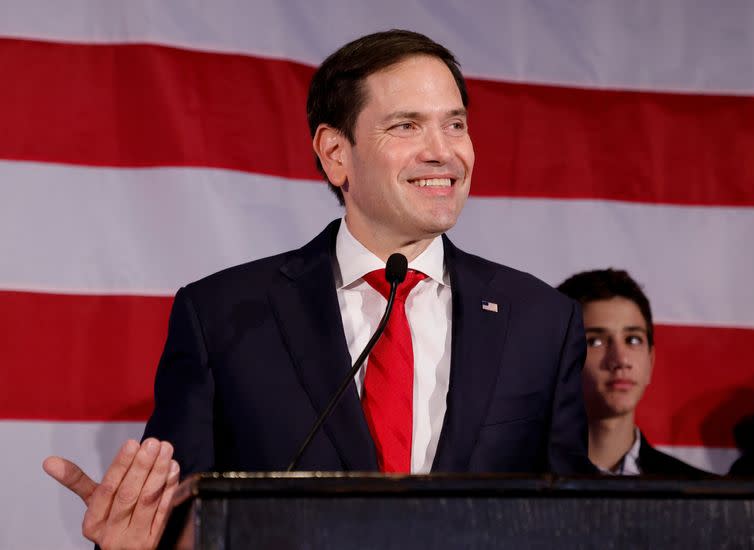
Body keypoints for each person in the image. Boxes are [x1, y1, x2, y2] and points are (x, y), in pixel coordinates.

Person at [43, 30, 592, 548]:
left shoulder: (541, 319)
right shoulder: (222, 316)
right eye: (406, 126)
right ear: (335, 154)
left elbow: (578, 527)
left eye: (455, 124)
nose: (443, 152)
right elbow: (179, 524)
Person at [557, 268, 708, 476]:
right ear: (557, 359)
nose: (620, 360)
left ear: (650, 361)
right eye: (595, 341)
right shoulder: (512, 483)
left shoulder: (703, 493)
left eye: (633, 339)